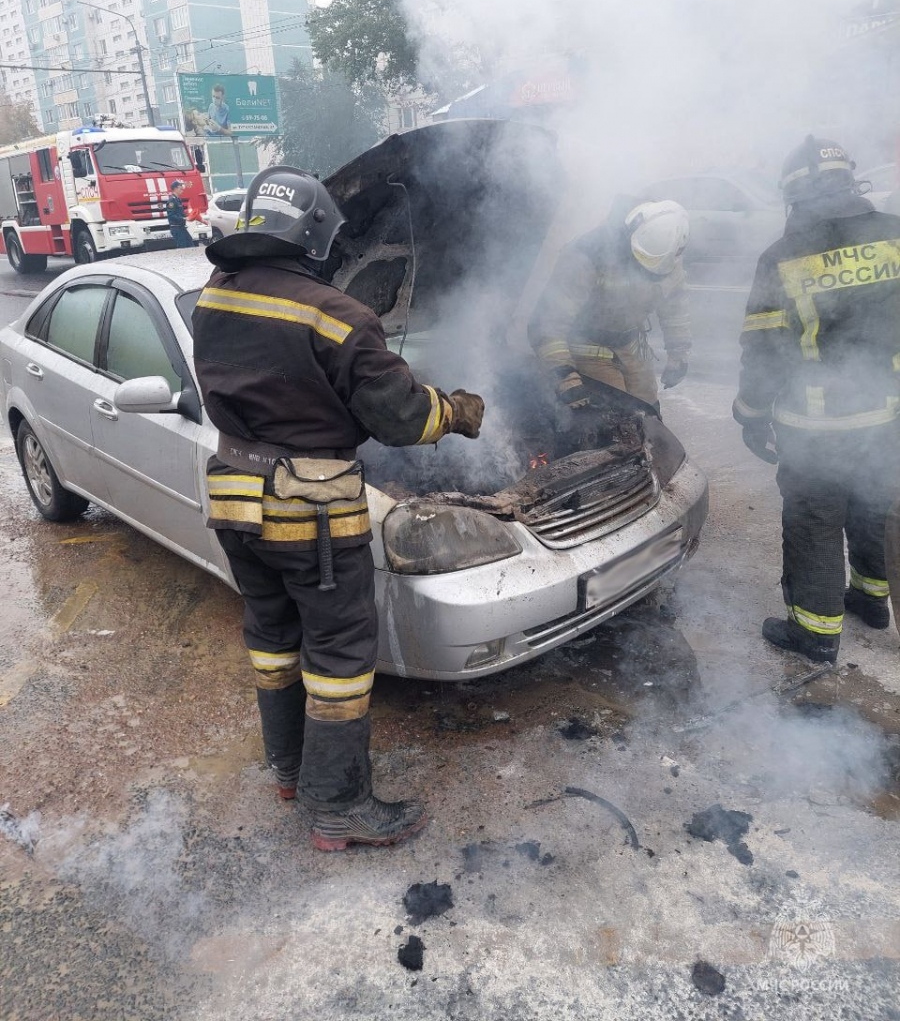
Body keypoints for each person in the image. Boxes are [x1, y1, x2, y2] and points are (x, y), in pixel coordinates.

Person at [191, 166, 485, 852]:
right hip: (312, 514)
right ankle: (340, 807)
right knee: (340, 658)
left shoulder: (216, 295)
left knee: (272, 641)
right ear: (317, 235)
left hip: (235, 499)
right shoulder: (336, 314)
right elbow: (405, 420)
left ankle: (291, 771)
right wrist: (457, 412)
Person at [733, 136, 900, 663]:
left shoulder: (783, 256)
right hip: (891, 412)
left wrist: (750, 415)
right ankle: (873, 601)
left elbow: (764, 351)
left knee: (815, 518)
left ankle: (816, 633)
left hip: (819, 424)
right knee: (874, 500)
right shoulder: (893, 235)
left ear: (795, 196)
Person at [528, 197, 691, 413]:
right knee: (617, 418)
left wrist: (678, 353)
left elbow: (674, 307)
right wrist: (564, 376)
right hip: (586, 350)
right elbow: (547, 324)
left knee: (648, 411)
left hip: (631, 347)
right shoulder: (587, 258)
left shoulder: (666, 253)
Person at [166, 179, 194, 248]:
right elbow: (171, 215)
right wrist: (183, 218)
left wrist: (189, 216)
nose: (182, 189)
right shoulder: (171, 201)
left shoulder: (178, 199)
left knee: (190, 243)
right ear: (175, 188)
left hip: (181, 227)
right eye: (180, 188)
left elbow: (180, 213)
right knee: (183, 247)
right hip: (176, 228)